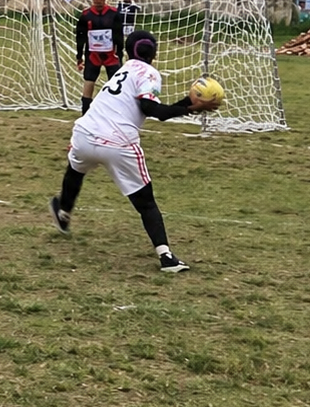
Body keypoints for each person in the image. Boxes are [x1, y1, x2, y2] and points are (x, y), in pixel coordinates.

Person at [48, 30, 220, 273]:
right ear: (155, 53)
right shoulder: (149, 73)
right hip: (118, 142)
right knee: (146, 203)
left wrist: (189, 105)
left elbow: (152, 107)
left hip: (85, 132)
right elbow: (152, 109)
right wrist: (192, 107)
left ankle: (63, 212)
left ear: (126, 52)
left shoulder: (123, 69)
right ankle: (166, 257)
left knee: (75, 170)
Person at [75, 0, 124, 114]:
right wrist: (79, 56)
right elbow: (80, 36)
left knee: (115, 84)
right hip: (93, 55)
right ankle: (85, 113)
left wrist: (120, 54)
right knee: (89, 81)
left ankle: (116, 113)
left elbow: (119, 35)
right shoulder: (86, 15)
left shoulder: (114, 14)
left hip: (110, 55)